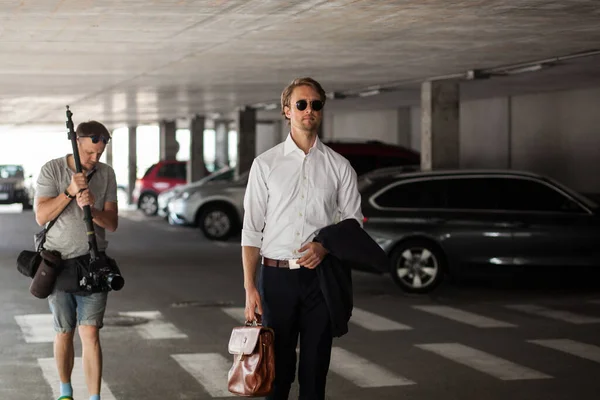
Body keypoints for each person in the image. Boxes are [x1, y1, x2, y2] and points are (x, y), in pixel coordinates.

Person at [241, 77, 363, 400]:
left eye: (316, 104)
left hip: (321, 280)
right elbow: (251, 230)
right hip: (276, 278)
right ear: (287, 111)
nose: (309, 110)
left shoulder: (340, 167)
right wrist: (249, 287)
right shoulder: (265, 165)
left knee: (315, 372)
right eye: (301, 104)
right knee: (275, 375)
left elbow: (353, 225)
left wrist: (325, 247)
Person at [34, 121, 118, 400]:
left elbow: (113, 223)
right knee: (64, 331)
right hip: (59, 264)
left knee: (91, 333)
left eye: (99, 153)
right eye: (89, 154)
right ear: (76, 142)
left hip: (94, 264)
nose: (95, 159)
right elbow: (42, 216)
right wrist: (69, 192)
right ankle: (65, 392)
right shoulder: (52, 169)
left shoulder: (106, 174)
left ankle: (94, 397)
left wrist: (91, 207)